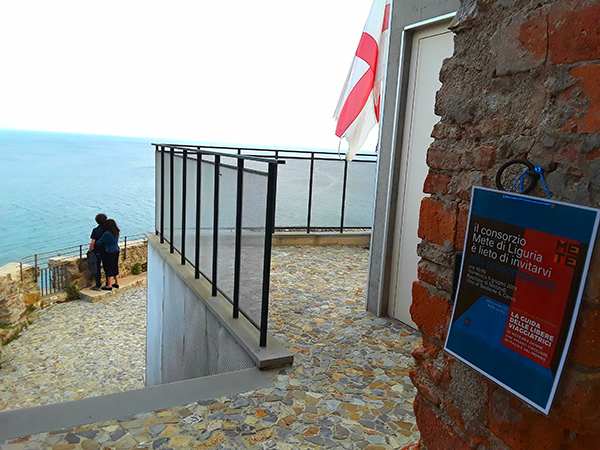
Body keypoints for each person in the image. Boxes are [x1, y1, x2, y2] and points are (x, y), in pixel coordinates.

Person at [95, 219, 121, 290]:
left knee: (108, 268)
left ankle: (109, 285)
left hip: (109, 252)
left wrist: (95, 241)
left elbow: (99, 242)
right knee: (115, 266)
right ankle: (116, 283)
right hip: (116, 250)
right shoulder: (116, 232)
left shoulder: (107, 234)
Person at [89, 213, 107, 291]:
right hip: (106, 250)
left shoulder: (96, 230)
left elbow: (93, 242)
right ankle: (108, 283)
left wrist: (90, 250)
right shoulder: (108, 229)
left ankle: (98, 285)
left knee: (97, 269)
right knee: (107, 267)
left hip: (98, 252)